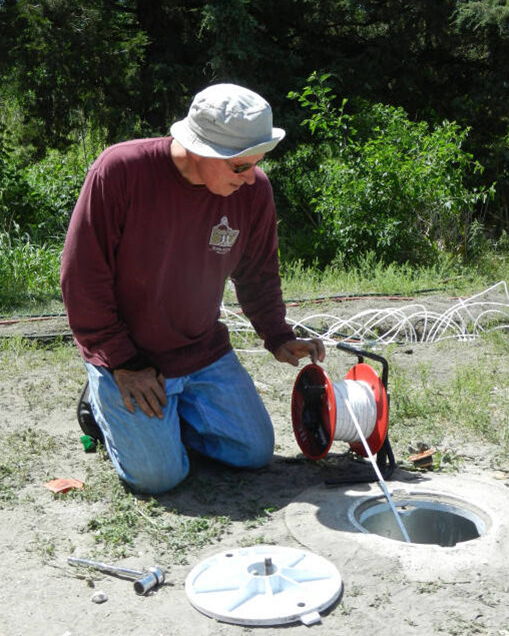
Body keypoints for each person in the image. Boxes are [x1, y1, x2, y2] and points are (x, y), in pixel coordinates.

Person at [61, 83, 325, 494]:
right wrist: (122, 363)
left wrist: (277, 335)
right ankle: (102, 406)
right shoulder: (119, 171)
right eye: (240, 166)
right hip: (130, 355)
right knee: (158, 479)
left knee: (253, 453)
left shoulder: (253, 192)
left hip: (202, 351)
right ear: (200, 149)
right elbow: (82, 277)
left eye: (256, 164)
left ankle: (163, 422)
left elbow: (258, 274)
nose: (251, 178)